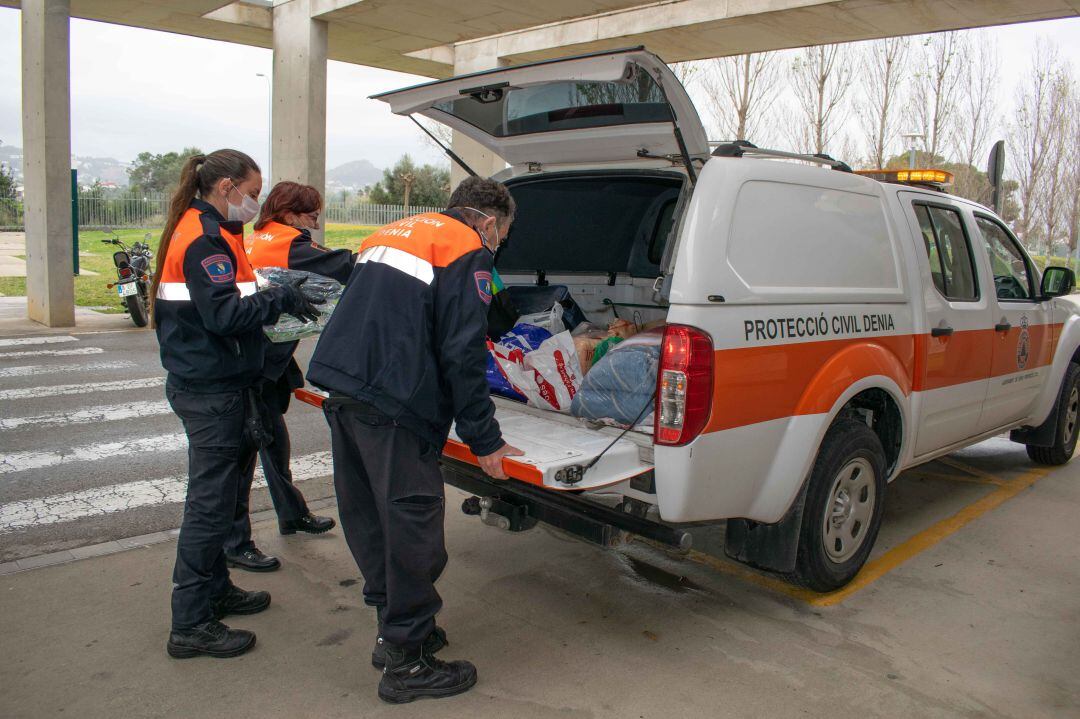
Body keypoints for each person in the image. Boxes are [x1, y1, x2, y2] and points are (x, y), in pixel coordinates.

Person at [307, 177, 524, 703]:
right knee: (413, 529)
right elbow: (462, 355)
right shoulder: (466, 250)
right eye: (503, 235)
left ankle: (396, 631)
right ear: (489, 222)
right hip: (395, 406)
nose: (497, 245)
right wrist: (486, 440)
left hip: (346, 390)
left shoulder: (393, 231)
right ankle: (406, 665)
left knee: (372, 520)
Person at [153, 149, 322, 659]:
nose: (254, 202)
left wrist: (269, 289)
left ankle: (215, 589)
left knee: (224, 498)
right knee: (209, 506)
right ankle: (191, 624)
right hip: (213, 390)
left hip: (218, 382)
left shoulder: (207, 230)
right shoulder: (205, 238)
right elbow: (225, 316)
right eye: (251, 193)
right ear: (225, 187)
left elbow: (222, 300)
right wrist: (281, 298)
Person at [223, 181, 353, 572]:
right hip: (255, 363)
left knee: (272, 440)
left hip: (262, 357)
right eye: (311, 212)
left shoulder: (259, 236)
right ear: (291, 212)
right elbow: (346, 265)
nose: (315, 220)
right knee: (244, 452)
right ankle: (235, 542)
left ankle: (291, 512)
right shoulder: (288, 242)